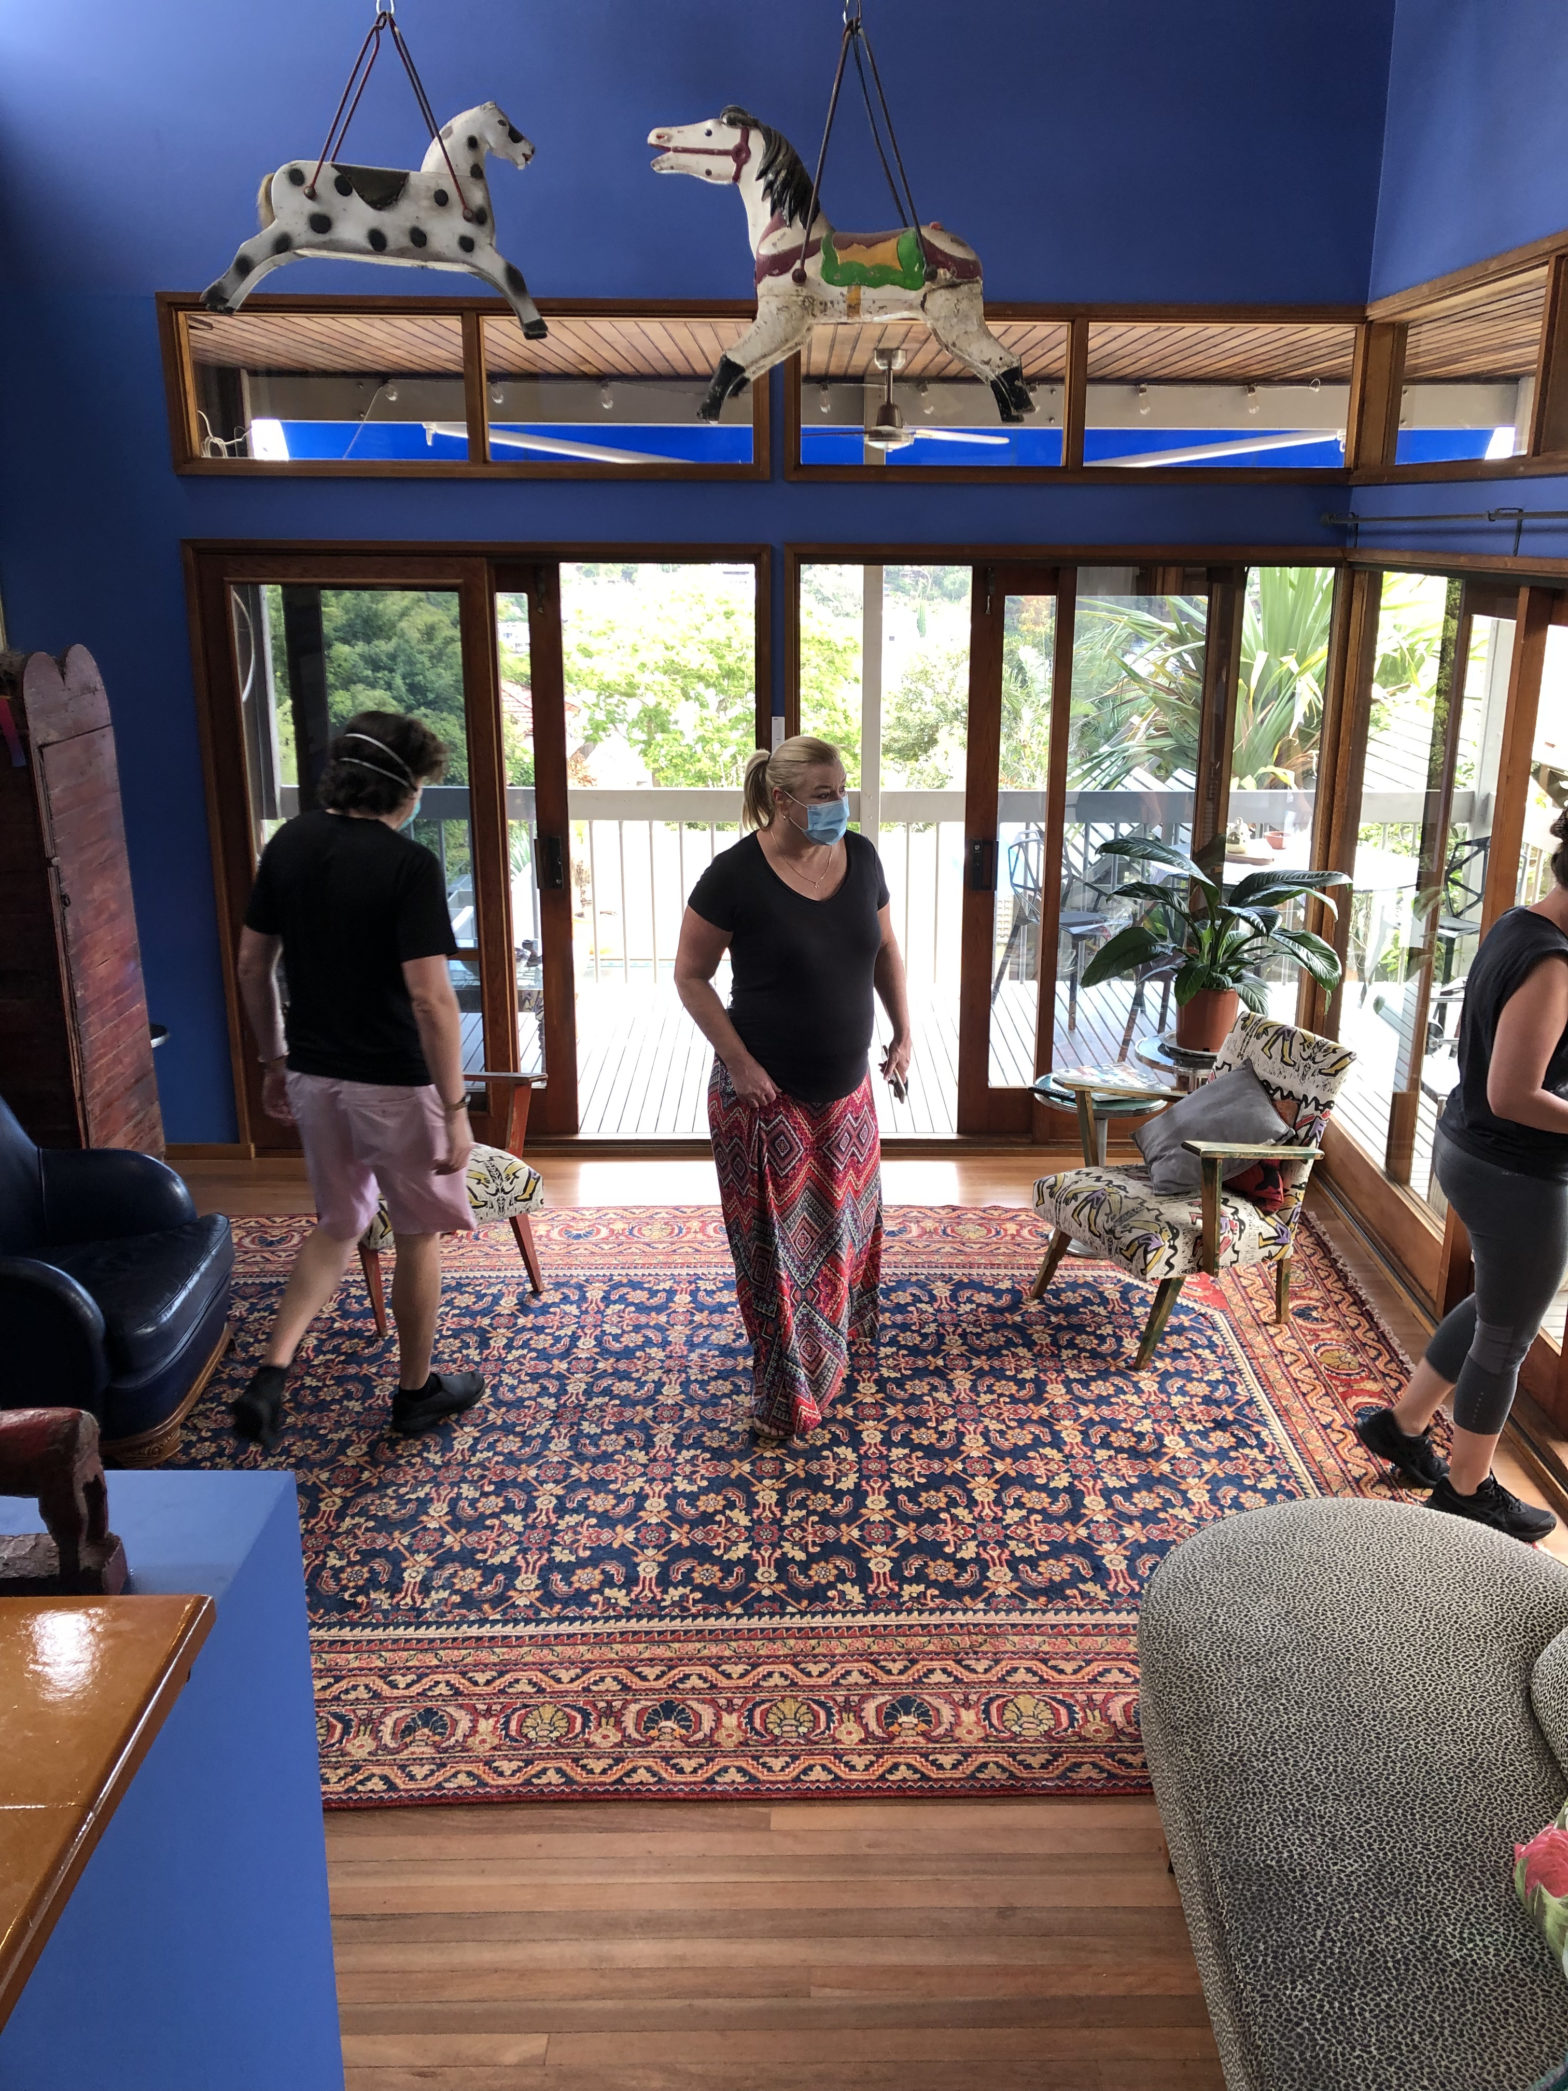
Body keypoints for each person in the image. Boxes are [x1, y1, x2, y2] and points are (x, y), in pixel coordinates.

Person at [231, 710, 485, 1450]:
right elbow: (432, 999)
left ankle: (272, 1371)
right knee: (417, 1234)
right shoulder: (408, 865)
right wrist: (456, 1106)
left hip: (315, 1074)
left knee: (338, 1222)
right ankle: (415, 1394)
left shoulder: (289, 843)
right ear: (404, 786)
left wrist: (273, 1060)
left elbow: (254, 964)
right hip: (395, 1085)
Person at [674, 735, 912, 1441]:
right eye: (824, 793)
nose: (841, 804)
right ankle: (785, 1395)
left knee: (845, 1236)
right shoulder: (733, 876)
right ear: (780, 799)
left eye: (842, 789)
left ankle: (831, 1361)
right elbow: (690, 974)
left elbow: (886, 948)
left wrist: (904, 1032)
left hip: (849, 1096)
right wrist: (740, 1063)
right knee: (779, 1259)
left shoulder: (862, 856)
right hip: (765, 1101)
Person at [1353, 813, 1568, 1543]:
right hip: (1517, 1170)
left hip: (1470, 1149)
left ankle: (1402, 1425)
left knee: (1493, 1307)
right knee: (1507, 1335)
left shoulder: (1519, 924)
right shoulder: (1554, 965)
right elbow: (1515, 1092)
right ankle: (1465, 1491)